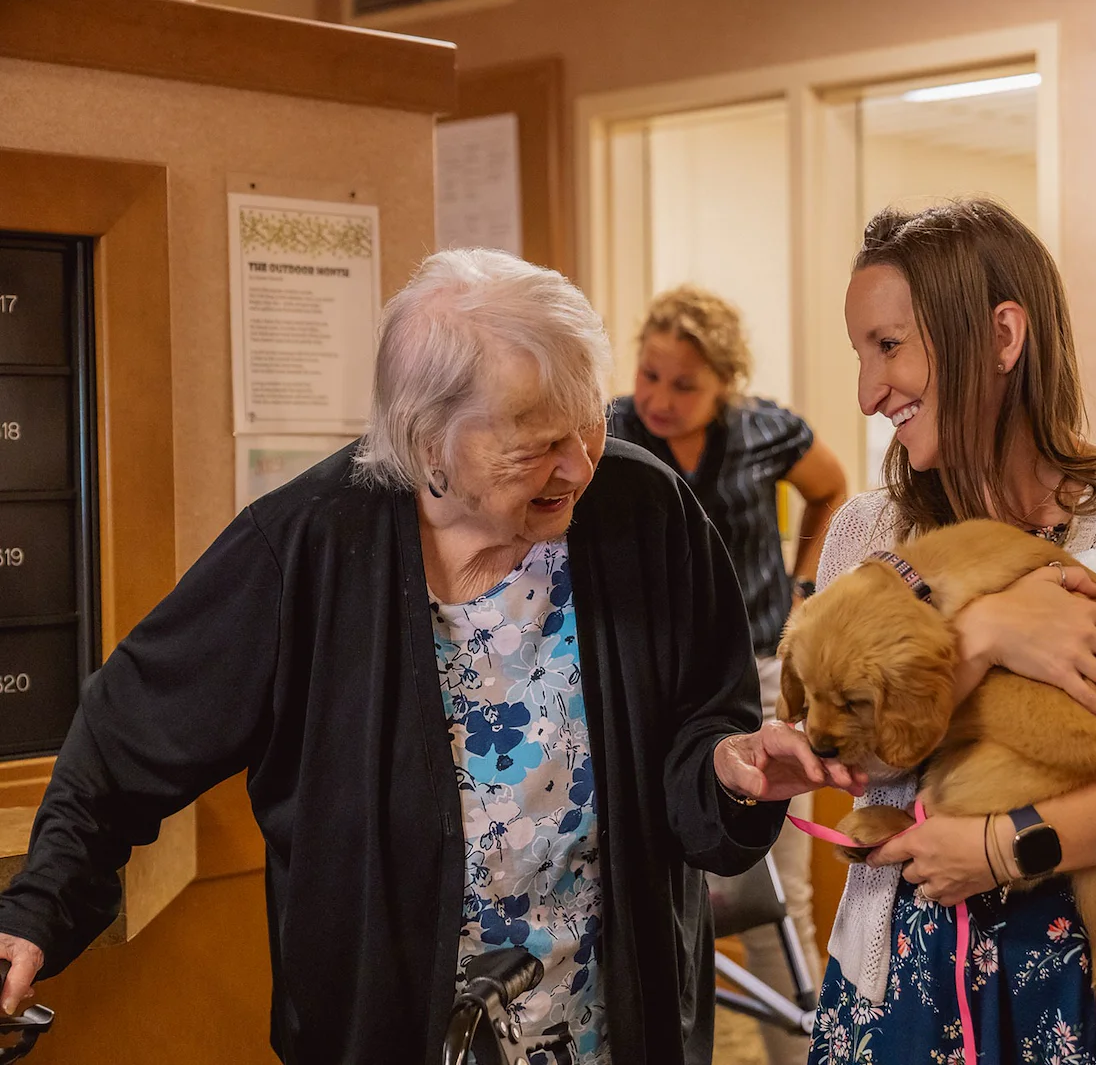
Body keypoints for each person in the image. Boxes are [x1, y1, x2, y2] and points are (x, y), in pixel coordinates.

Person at [0, 249, 861, 1065]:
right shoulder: (303, 546)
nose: (578, 465)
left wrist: (730, 766)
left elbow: (698, 732)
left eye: (587, 422)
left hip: (611, 1021)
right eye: (534, 444)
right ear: (425, 444)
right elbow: (123, 739)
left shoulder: (648, 514)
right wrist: (39, 909)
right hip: (390, 1024)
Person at [808, 200, 1096, 1065]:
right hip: (909, 979)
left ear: (1003, 336)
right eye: (861, 352)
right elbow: (860, 763)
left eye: (889, 346)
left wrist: (1003, 844)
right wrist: (978, 640)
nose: (869, 392)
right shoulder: (866, 535)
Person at [609, 285, 847, 1065]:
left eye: (684, 385)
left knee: (781, 896)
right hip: (647, 691)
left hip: (755, 674)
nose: (660, 399)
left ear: (723, 385)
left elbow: (832, 487)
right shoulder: (606, 433)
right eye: (650, 376)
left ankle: (794, 1054)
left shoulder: (762, 432)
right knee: (645, 891)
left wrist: (805, 583)